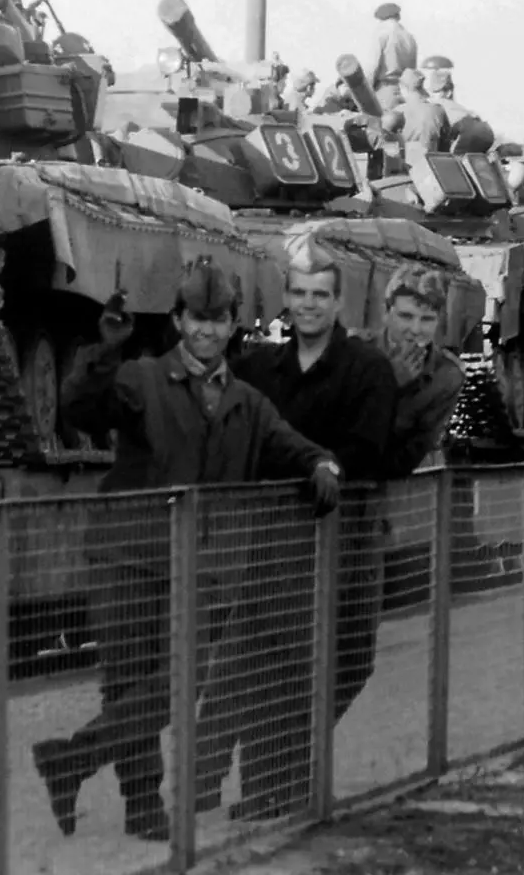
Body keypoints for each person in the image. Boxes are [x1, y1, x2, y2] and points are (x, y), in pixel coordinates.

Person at [29, 260, 341, 842]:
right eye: (196, 318)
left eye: (217, 320)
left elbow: (296, 448)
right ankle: (143, 807)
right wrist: (105, 349)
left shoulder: (248, 404)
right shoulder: (141, 378)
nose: (206, 331)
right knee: (128, 677)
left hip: (201, 565)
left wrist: (324, 465)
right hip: (128, 553)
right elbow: (80, 409)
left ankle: (71, 760)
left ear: (231, 327)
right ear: (177, 320)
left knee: (182, 681)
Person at [195, 238, 398, 821]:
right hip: (272, 542)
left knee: (332, 665)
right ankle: (246, 788)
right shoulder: (262, 367)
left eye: (321, 295)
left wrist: (299, 462)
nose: (309, 305)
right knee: (260, 665)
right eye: (300, 293)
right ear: (285, 298)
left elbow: (365, 447)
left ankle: (272, 782)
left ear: (339, 302)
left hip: (343, 540)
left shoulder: (366, 369)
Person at [363, 263, 468, 477]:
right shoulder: (355, 352)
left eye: (427, 319)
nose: (415, 330)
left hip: (390, 485)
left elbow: (413, 450)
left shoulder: (447, 376)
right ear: (386, 312)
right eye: (406, 316)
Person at [368, 2, 418, 100]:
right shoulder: (409, 37)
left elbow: (372, 66)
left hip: (385, 90)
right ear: (398, 16)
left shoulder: (381, 33)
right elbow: (412, 70)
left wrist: (366, 93)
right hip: (405, 93)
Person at [396, 69, 452, 155]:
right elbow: (446, 144)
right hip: (430, 162)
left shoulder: (397, 112)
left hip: (404, 163)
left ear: (402, 87)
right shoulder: (437, 110)